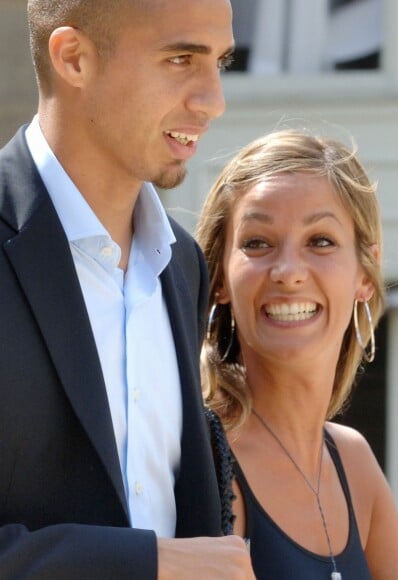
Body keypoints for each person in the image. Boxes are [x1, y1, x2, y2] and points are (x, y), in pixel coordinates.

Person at [0, 0, 255, 578]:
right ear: (74, 58)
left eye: (221, 62)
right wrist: (148, 562)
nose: (213, 100)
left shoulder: (182, 265)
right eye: (181, 59)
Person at [196, 130, 398, 579]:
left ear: (365, 272)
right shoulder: (203, 455)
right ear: (220, 277)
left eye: (320, 241)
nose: (287, 272)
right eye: (257, 243)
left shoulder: (352, 461)